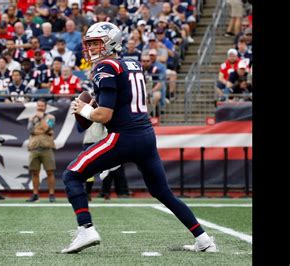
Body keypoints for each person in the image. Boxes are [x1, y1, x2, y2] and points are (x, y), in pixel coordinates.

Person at [61, 22, 218, 254]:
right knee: (162, 192)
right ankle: (203, 239)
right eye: (90, 44)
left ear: (110, 42)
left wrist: (83, 109)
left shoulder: (105, 67)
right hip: (145, 136)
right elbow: (120, 100)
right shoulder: (131, 63)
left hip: (123, 136)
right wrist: (92, 104)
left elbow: (104, 115)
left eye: (96, 43)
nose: (92, 48)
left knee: (71, 175)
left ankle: (86, 229)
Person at [26, 98, 57, 202]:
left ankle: (51, 194)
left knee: (50, 172)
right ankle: (35, 194)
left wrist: (42, 119)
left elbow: (49, 128)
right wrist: (43, 130)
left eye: (42, 106)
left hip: (47, 147)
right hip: (34, 147)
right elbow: (30, 130)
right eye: (38, 105)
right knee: (35, 172)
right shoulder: (31, 118)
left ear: (45, 107)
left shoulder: (51, 117)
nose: (40, 107)